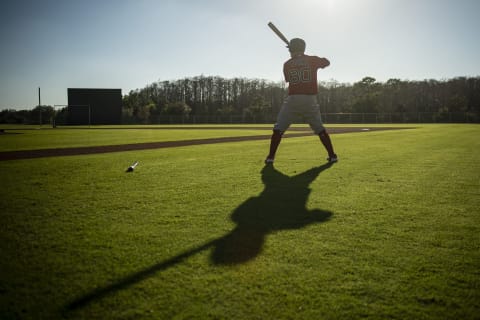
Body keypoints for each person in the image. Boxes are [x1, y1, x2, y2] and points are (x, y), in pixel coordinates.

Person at [265, 38, 337, 164]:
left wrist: (294, 55)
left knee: (278, 130)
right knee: (320, 129)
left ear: (291, 49)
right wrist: (308, 57)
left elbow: (289, 78)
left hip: (293, 99)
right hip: (310, 100)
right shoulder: (312, 60)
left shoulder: (287, 64)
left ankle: (270, 157)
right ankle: (332, 155)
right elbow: (327, 62)